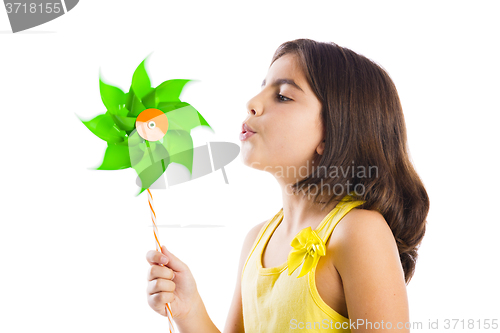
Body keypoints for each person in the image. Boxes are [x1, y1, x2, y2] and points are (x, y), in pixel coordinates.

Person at [145, 38, 429, 332]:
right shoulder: (256, 241)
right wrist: (188, 310)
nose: (252, 103)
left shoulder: (358, 232)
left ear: (333, 133)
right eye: (262, 87)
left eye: (282, 96)